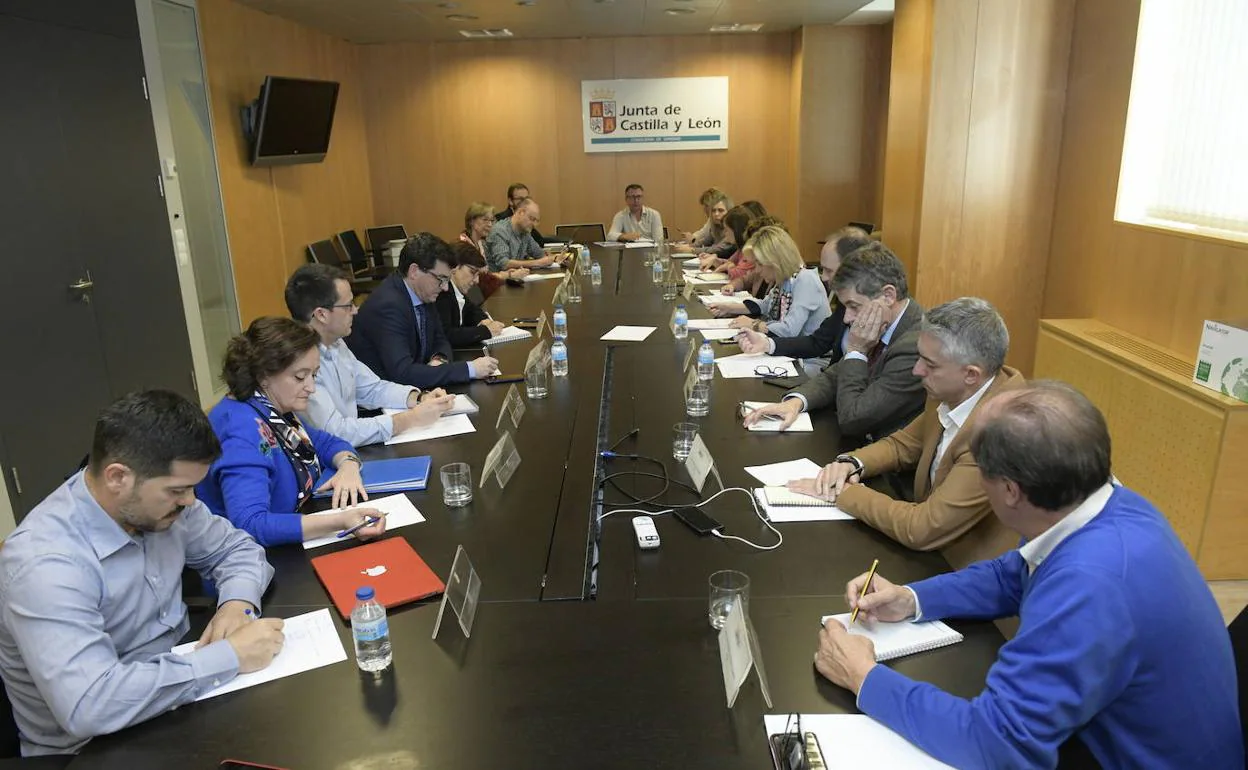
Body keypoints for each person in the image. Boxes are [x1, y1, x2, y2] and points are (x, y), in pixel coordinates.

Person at [815, 382, 1243, 769]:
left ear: (1009, 491)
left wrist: (864, 676)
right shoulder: (1105, 503)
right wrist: (912, 599)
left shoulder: (1091, 584)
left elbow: (997, 742)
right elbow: (1013, 575)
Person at [0, 390, 282, 756]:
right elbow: (90, 704)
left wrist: (237, 604)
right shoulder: (46, 563)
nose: (191, 502)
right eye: (178, 490)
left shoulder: (167, 504)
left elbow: (238, 549)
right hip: (94, 749)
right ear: (118, 477)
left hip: (178, 697)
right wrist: (229, 657)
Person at [790, 297, 1025, 567]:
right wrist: (852, 463)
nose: (917, 370)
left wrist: (843, 493)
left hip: (962, 569)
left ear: (971, 374)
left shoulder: (999, 433)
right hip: (928, 547)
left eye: (930, 364)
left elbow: (922, 528)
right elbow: (904, 445)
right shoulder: (953, 388)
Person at [197, 317, 390, 547]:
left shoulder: (271, 407)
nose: (311, 387)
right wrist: (338, 522)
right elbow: (250, 524)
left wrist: (348, 466)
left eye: (314, 375)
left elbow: (324, 442)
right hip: (254, 561)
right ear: (263, 375)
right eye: (300, 377)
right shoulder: (240, 430)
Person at [743, 241, 925, 440]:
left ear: (888, 296)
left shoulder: (916, 345)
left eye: (854, 306)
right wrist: (795, 402)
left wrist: (857, 351)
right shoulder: (882, 322)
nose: (847, 318)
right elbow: (836, 374)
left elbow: (853, 419)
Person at [284, 264, 455, 447]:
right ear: (322, 315)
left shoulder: (336, 342)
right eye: (348, 305)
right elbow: (337, 433)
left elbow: (372, 388)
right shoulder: (300, 366)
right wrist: (410, 419)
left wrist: (418, 398)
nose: (356, 310)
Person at [349, 233, 499, 389]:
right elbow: (403, 373)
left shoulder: (423, 292)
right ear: (414, 271)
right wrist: (469, 369)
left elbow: (440, 338)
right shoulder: (388, 306)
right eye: (441, 279)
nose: (445, 287)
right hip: (381, 400)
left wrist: (439, 360)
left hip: (414, 387)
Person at [737, 225, 872, 367]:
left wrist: (757, 326)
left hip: (814, 363)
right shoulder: (844, 304)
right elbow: (818, 341)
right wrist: (767, 344)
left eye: (828, 270)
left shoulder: (806, 280)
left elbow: (792, 332)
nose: (823, 277)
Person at [717, 227, 830, 345]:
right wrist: (729, 307)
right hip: (787, 350)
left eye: (760, 264)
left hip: (809, 360)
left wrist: (754, 325)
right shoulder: (784, 279)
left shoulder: (806, 280)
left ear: (776, 261)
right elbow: (765, 305)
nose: (757, 270)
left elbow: (789, 330)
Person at [437, 242, 506, 347]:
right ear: (455, 267)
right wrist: (485, 331)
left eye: (478, 275)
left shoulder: (457, 289)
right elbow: (446, 335)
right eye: (473, 272)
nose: (476, 281)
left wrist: (485, 321)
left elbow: (471, 310)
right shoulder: (442, 292)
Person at [461, 201, 526, 291]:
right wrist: (508, 275)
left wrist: (503, 273)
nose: (490, 225)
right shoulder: (464, 245)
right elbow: (479, 278)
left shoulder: (481, 243)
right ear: (472, 221)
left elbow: (485, 274)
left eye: (491, 221)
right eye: (485, 220)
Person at [485, 198, 560, 274]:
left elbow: (539, 254)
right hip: (497, 281)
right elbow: (504, 264)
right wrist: (537, 263)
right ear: (521, 212)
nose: (534, 224)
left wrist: (555, 258)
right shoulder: (500, 231)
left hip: (515, 278)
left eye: (536, 221)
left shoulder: (525, 232)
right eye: (532, 219)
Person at [494, 182, 560, 245]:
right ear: (510, 201)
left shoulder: (527, 219)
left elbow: (539, 241)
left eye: (527, 198)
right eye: (520, 199)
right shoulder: (499, 220)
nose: (525, 202)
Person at [677, 188, 733, 255]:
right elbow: (706, 240)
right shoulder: (715, 224)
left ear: (729, 211)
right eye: (713, 210)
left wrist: (692, 250)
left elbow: (720, 249)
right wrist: (689, 247)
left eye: (720, 210)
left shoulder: (733, 226)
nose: (716, 214)